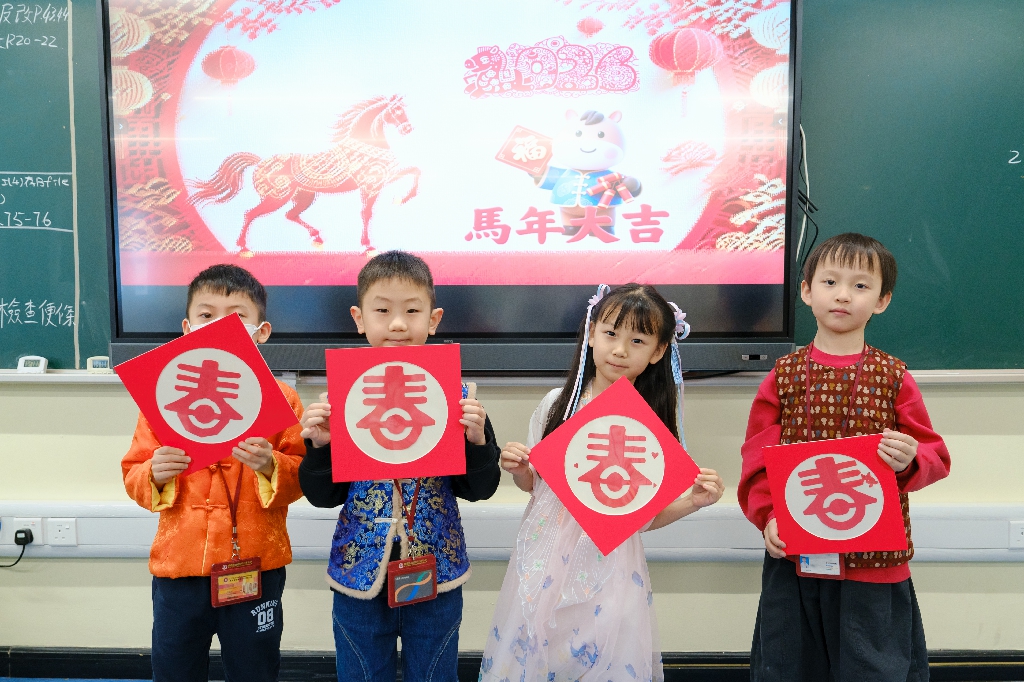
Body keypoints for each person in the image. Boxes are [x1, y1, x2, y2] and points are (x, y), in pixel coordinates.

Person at [480, 283, 725, 682]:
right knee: (537, 646)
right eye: (611, 333)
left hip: (612, 564)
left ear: (659, 351)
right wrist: (520, 468)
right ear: (591, 333)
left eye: (638, 340)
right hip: (546, 555)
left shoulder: (651, 424)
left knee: (605, 651)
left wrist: (693, 501)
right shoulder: (558, 404)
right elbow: (535, 487)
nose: (620, 350)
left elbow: (643, 519)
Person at [738, 233, 951, 682]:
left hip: (875, 562)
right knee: (791, 667)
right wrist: (769, 515)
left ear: (882, 301)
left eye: (860, 285)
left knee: (874, 668)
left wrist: (910, 458)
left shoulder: (894, 376)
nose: (842, 295)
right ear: (806, 291)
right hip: (797, 558)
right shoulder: (783, 376)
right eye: (830, 281)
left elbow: (934, 453)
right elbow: (758, 458)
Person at [298, 251, 502, 682]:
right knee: (360, 673)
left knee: (434, 673)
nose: (397, 324)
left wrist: (477, 442)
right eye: (382, 311)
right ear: (359, 318)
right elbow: (322, 496)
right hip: (358, 569)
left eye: (412, 311)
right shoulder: (341, 399)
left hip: (435, 570)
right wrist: (318, 448)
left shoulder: (458, 397)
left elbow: (481, 488)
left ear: (434, 319)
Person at [121, 264, 305, 682]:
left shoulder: (282, 399)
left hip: (255, 565)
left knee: (255, 668)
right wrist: (154, 473)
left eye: (237, 317)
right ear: (187, 328)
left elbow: (300, 475)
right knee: (175, 668)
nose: (220, 326)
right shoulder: (163, 397)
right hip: (179, 567)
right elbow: (133, 472)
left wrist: (271, 465)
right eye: (206, 315)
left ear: (262, 332)